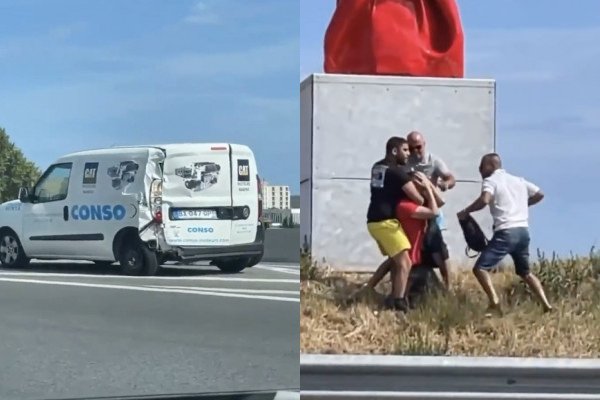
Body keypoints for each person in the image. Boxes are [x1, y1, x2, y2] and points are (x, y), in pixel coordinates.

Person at [457, 153, 553, 314]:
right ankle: (546, 305)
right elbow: (539, 194)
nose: (480, 172)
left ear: (490, 166)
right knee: (526, 272)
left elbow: (484, 200)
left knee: (480, 268)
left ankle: (494, 302)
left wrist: (466, 212)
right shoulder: (519, 180)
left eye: (481, 167)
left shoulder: (491, 181)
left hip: (506, 232)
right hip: (523, 232)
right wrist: (522, 206)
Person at [365, 137, 424, 312]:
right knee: (405, 261)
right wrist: (423, 186)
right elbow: (418, 199)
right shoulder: (397, 173)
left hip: (374, 220)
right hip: (386, 223)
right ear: (394, 151)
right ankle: (398, 302)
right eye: (405, 150)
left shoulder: (377, 167)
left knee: (395, 260)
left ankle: (373, 291)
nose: (408, 154)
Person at [406, 130, 453, 287]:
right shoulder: (406, 162)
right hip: (414, 210)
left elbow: (450, 178)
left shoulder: (434, 161)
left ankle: (448, 286)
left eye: (418, 147)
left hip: (431, 209)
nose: (415, 152)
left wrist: (445, 184)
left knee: (438, 247)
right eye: (411, 149)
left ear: (424, 144)